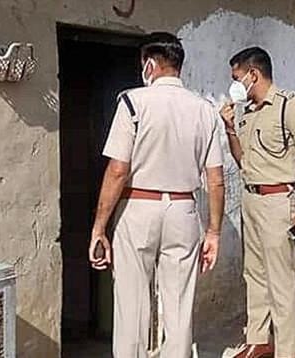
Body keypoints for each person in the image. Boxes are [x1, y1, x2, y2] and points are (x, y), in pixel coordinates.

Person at [88, 32, 225, 358]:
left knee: (132, 306)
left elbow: (118, 170)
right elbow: (216, 180)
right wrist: (214, 232)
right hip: (183, 211)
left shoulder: (133, 102)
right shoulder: (205, 109)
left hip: (138, 208)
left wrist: (99, 228)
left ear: (149, 64)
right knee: (179, 308)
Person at [219, 47, 295, 358]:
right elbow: (242, 160)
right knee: (255, 275)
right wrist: (231, 128)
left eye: (237, 78)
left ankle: (287, 352)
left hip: (278, 201)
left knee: (280, 282)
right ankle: (258, 342)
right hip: (251, 198)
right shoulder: (246, 111)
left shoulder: (290, 104)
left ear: (253, 74)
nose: (235, 85)